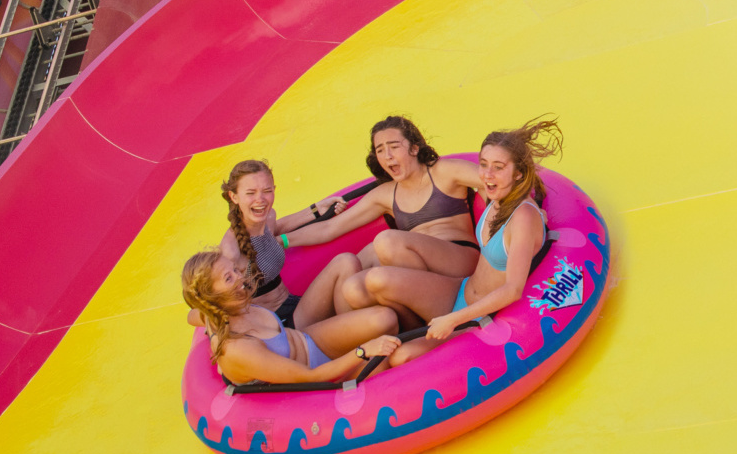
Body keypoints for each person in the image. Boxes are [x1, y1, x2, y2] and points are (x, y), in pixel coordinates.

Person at [350, 117, 565, 365]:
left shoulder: (523, 217)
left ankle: (412, 335)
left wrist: (454, 319)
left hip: (476, 315)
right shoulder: (497, 200)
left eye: (498, 167)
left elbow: (513, 290)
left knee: (401, 357)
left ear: (518, 173)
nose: (487, 174)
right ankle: (399, 331)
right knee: (376, 280)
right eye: (483, 164)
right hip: (461, 289)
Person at [282, 116, 482, 326]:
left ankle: (438, 312)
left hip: (458, 259)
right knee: (352, 288)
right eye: (379, 150)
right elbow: (330, 228)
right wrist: (283, 240)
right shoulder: (385, 194)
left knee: (386, 242)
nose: (387, 156)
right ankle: (398, 334)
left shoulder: (444, 171)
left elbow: (493, 180)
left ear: (414, 148)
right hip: (418, 274)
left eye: (394, 146)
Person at [180, 250, 401, 387]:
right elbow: (310, 377)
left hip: (309, 340)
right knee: (393, 358)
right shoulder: (237, 348)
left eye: (235, 271)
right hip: (317, 375)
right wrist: (362, 351)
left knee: (385, 319)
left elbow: (193, 315)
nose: (240, 278)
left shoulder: (217, 310)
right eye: (229, 278)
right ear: (212, 296)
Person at [215, 159, 336, 326]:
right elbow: (216, 302)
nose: (260, 199)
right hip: (279, 324)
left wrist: (316, 209)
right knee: (343, 263)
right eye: (250, 193)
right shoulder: (231, 251)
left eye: (267, 191)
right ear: (234, 196)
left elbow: (279, 226)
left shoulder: (268, 218)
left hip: (293, 304)